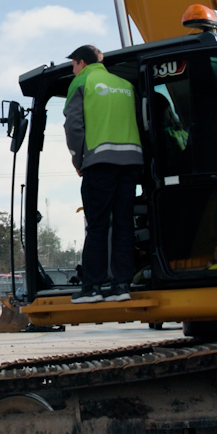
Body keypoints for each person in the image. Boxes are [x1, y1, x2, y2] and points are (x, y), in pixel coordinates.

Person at [63, 44, 142, 304]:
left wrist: (78, 159)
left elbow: (74, 126)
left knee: (97, 225)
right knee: (123, 224)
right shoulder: (125, 85)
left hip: (99, 162)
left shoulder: (82, 82)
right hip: (131, 162)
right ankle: (121, 285)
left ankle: (93, 287)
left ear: (81, 63)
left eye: (73, 65)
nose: (73, 70)